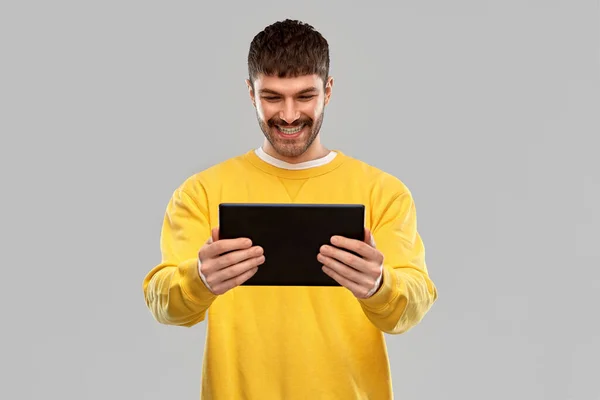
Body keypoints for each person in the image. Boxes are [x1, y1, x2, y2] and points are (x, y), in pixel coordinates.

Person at [142, 19, 438, 400]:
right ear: (250, 93)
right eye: (272, 97)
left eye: (304, 96)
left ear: (327, 91)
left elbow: (411, 305)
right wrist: (199, 278)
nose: (288, 115)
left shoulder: (383, 193)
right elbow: (165, 305)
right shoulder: (200, 192)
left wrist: (380, 285)